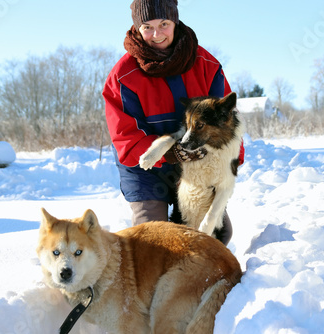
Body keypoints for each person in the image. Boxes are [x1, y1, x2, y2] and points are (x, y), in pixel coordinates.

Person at [103, 0, 244, 245]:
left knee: (216, 234)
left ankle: (202, 278)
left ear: (175, 22)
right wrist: (169, 153)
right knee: (156, 239)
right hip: (145, 167)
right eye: (147, 27)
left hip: (196, 162)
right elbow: (125, 135)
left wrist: (230, 160)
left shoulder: (207, 65)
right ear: (137, 28)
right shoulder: (123, 76)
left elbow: (226, 121)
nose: (156, 35)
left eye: (164, 24)